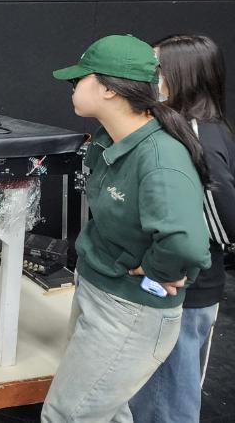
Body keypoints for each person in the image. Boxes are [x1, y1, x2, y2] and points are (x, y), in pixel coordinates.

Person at [42, 34, 212, 423]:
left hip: (129, 310)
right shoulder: (109, 139)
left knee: (67, 415)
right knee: (107, 411)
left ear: (109, 89)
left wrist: (155, 271)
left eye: (78, 80)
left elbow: (186, 244)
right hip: (98, 290)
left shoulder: (161, 157)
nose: (71, 87)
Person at [129, 34, 235, 423]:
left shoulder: (196, 134)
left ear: (183, 75)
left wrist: (177, 257)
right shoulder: (196, 126)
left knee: (168, 397)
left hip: (188, 287)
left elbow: (223, 217)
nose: (150, 77)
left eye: (157, 68)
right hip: (180, 283)